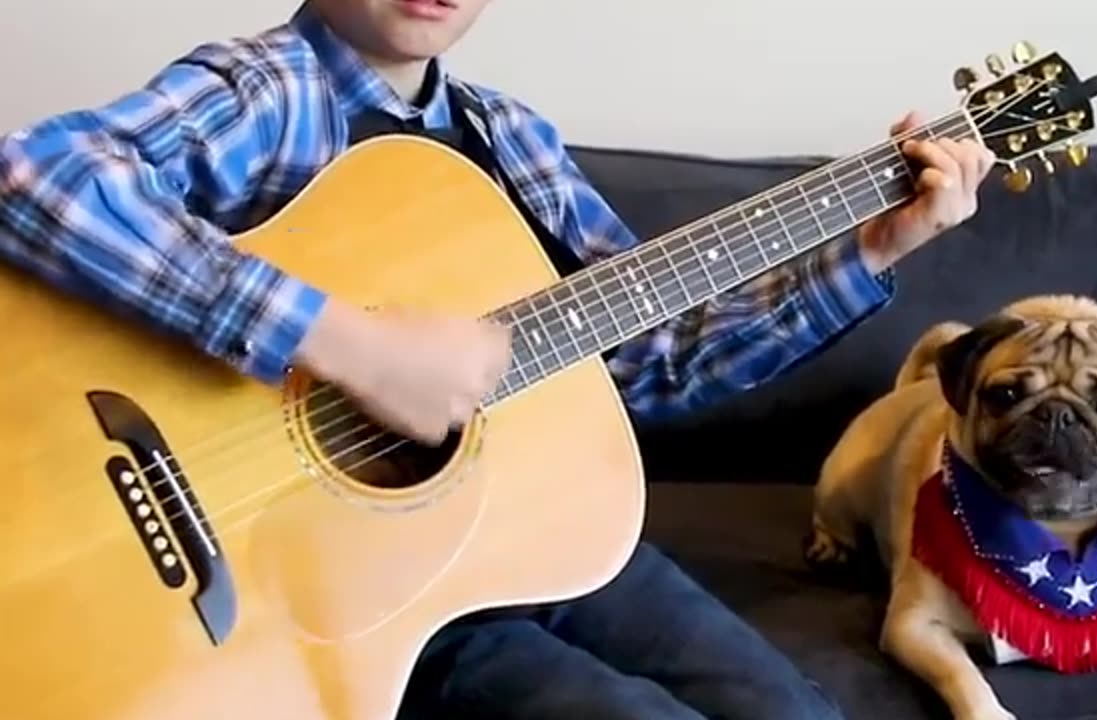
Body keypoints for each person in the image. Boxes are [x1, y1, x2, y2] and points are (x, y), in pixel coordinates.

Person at [0, 1, 995, 718]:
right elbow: (34, 175)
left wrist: (874, 244)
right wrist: (351, 346)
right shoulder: (268, 90)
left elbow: (646, 362)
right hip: (332, 591)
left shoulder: (509, 137)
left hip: (536, 534)